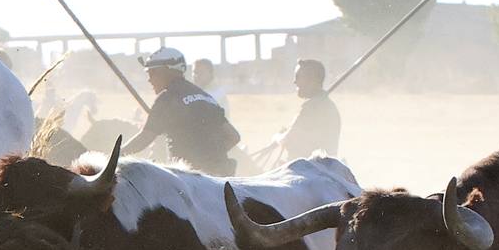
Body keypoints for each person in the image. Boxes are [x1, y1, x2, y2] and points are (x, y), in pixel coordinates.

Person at [115, 46, 242, 177]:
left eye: (153, 72)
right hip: (221, 180)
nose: (149, 79)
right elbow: (234, 137)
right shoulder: (206, 97)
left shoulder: (168, 97)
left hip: (189, 181)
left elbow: (145, 138)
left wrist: (114, 157)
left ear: (169, 71)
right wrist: (211, 157)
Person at [267, 58, 342, 163]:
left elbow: (287, 139)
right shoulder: (323, 104)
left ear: (312, 80)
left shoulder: (312, 107)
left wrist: (276, 137)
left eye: (298, 77)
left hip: (309, 171)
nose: (294, 81)